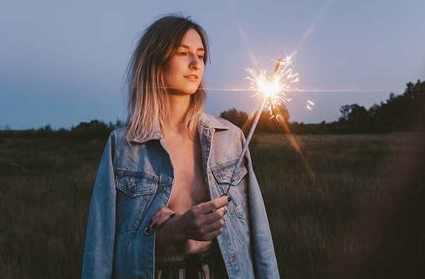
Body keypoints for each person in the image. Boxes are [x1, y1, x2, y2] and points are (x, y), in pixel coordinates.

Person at [81, 15, 281, 279]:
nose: (195, 64)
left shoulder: (230, 138)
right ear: (156, 61)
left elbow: (259, 236)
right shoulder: (124, 147)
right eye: (183, 53)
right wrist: (171, 232)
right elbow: (101, 250)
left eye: (201, 55)